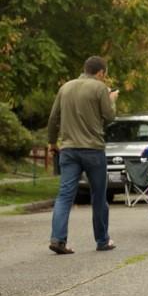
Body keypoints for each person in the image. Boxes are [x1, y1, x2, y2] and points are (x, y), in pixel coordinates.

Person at [47, 56, 119, 254]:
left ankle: (58, 239)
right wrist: (112, 100)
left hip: (69, 150)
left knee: (64, 195)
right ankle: (102, 240)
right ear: (101, 73)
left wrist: (52, 142)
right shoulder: (99, 88)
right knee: (98, 195)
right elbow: (109, 116)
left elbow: (53, 118)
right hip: (93, 150)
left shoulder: (65, 88)